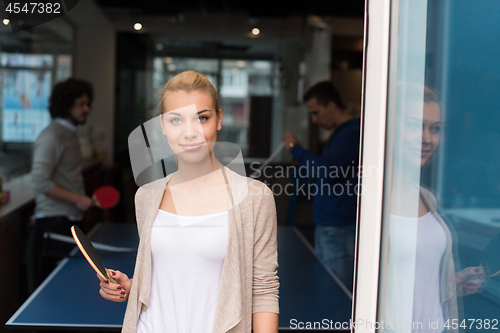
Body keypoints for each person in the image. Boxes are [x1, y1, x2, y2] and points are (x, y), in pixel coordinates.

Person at [98, 70, 279, 333]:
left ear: (219, 119)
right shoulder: (146, 196)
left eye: (202, 118)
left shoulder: (254, 197)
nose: (190, 132)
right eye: (175, 120)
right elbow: (173, 274)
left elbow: (263, 290)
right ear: (162, 127)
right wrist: (133, 286)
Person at [384, 83, 484, 333]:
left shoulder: (427, 196)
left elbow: (417, 278)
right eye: (414, 125)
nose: (427, 138)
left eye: (435, 129)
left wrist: (452, 281)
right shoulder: (370, 203)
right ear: (388, 126)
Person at [283, 81, 360, 291]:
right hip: (329, 226)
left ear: (332, 106)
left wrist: (295, 149)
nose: (315, 120)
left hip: (339, 229)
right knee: (329, 288)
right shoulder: (341, 133)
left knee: (338, 293)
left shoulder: (351, 133)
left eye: (316, 112)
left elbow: (327, 169)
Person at [31, 78, 94, 280]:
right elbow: (40, 181)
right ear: (67, 105)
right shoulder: (52, 136)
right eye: (81, 104)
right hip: (54, 224)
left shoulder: (69, 134)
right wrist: (77, 199)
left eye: (87, 103)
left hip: (68, 221)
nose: (87, 109)